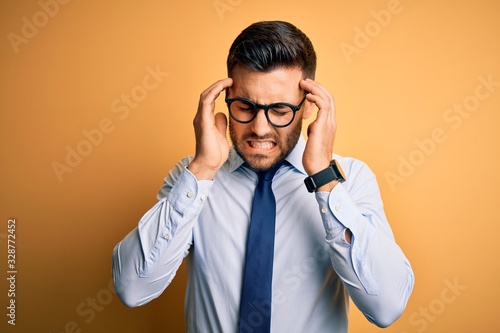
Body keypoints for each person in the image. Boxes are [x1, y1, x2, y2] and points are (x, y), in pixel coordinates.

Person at [112, 20, 414, 332]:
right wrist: (202, 170)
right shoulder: (192, 178)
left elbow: (386, 307)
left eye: (280, 110)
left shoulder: (350, 179)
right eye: (244, 106)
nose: (259, 128)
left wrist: (324, 179)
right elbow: (133, 290)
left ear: (309, 106)